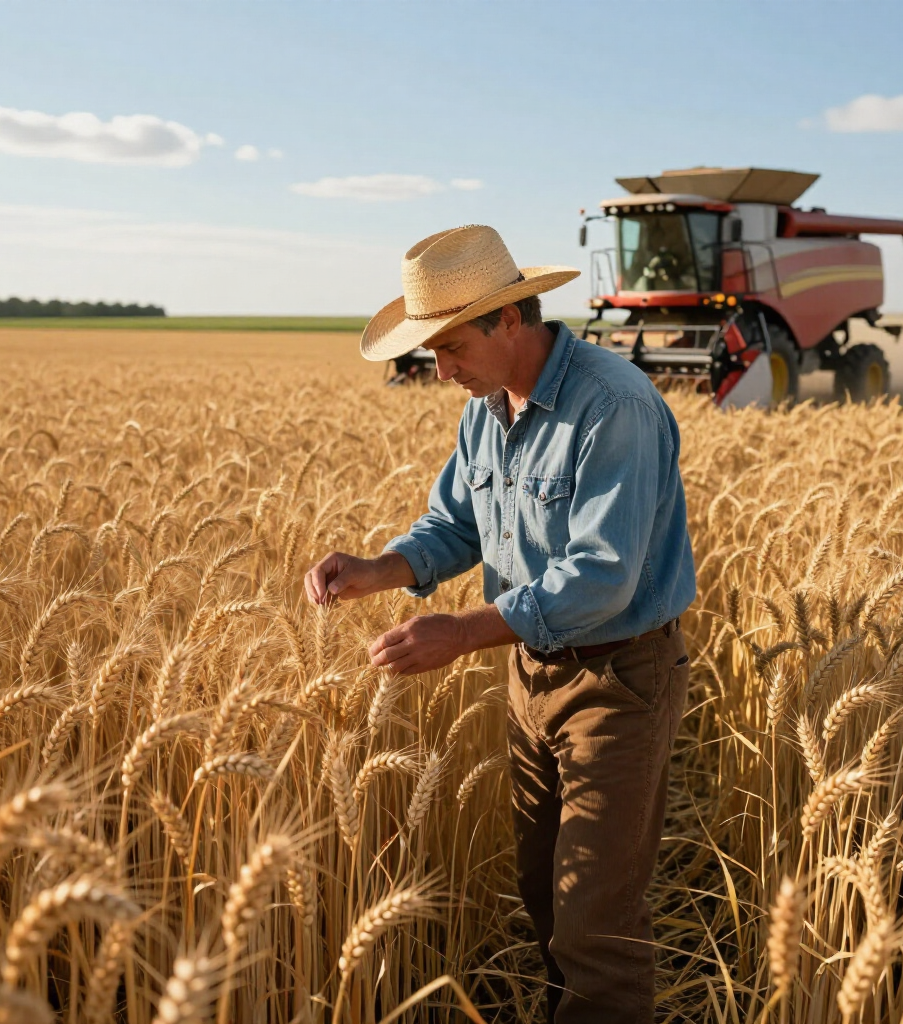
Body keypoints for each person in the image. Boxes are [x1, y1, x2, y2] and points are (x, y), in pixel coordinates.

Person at [305, 224, 696, 1024]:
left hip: (617, 682)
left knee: (596, 924)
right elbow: (454, 524)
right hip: (530, 675)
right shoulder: (486, 410)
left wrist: (462, 632)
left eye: (449, 347)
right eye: (431, 353)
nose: (440, 371)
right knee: (543, 896)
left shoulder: (611, 405)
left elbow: (603, 577)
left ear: (510, 320)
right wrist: (379, 569)